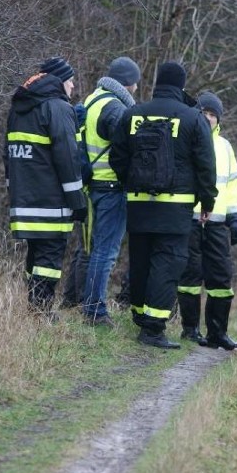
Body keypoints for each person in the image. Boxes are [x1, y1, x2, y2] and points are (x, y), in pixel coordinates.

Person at [110, 61, 217, 349]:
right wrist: (208, 200)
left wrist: (131, 183)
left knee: (141, 261)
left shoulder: (133, 113)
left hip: (138, 204)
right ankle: (154, 328)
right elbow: (206, 165)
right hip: (176, 207)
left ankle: (140, 316)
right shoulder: (193, 119)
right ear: (181, 86)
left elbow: (117, 157)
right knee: (167, 264)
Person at [5, 56, 87, 320]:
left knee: (35, 254)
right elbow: (68, 157)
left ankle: (33, 308)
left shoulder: (18, 108)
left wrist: (13, 191)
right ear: (60, 81)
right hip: (52, 200)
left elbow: (8, 156)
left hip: (23, 198)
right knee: (50, 258)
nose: (73, 87)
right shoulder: (58, 108)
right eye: (71, 81)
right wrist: (78, 201)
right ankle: (41, 311)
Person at [176, 91, 237, 350]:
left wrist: (236, 217)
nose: (207, 118)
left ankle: (218, 333)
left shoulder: (225, 147)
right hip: (190, 219)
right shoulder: (187, 139)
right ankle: (190, 329)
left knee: (221, 278)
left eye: (212, 114)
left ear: (219, 120)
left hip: (217, 223)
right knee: (190, 276)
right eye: (204, 113)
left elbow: (234, 184)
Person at [80, 57, 142, 327]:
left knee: (96, 248)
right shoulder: (115, 108)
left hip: (94, 183)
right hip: (111, 186)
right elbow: (127, 148)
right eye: (136, 84)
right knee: (105, 251)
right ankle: (95, 310)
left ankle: (89, 305)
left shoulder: (92, 99)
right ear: (129, 83)